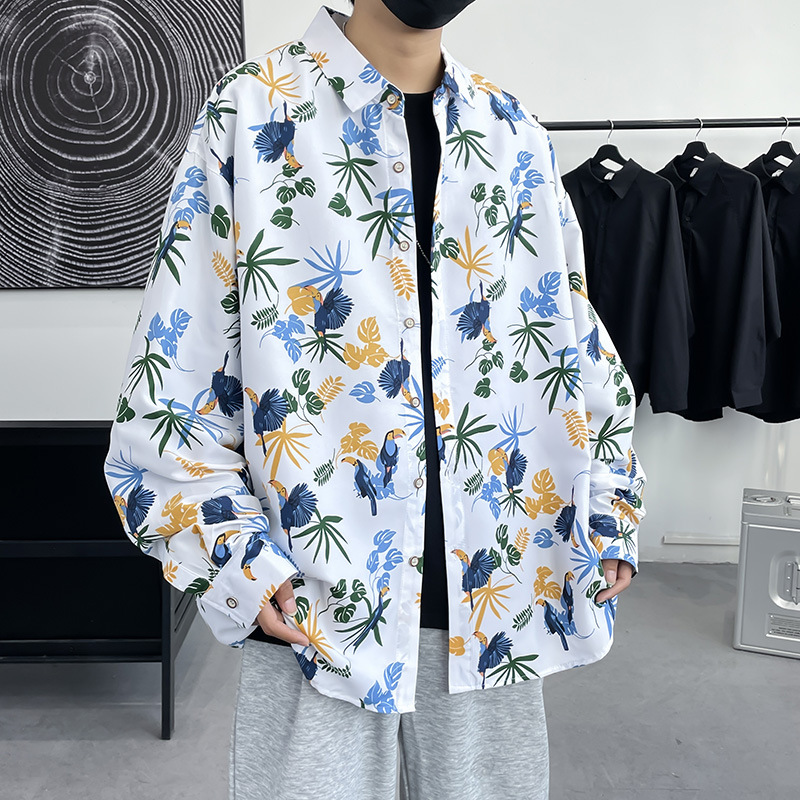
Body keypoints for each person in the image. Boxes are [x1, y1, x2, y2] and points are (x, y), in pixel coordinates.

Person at [103, 2, 647, 798]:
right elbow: (173, 378)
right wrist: (240, 561)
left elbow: (574, 345)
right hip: (314, 606)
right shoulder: (251, 112)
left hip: (496, 597)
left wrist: (607, 506)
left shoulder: (513, 135)